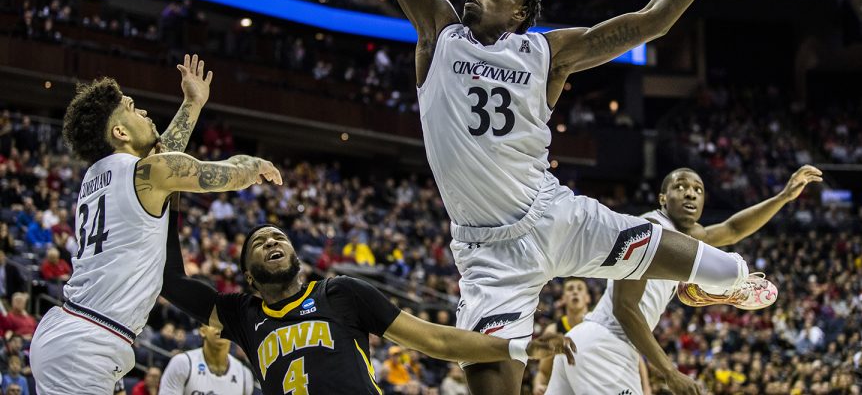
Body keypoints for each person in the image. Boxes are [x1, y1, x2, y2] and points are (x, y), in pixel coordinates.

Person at [371, 0, 774, 394]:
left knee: (728, 268)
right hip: (490, 255)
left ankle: (719, 284)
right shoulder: (438, 33)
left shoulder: (547, 54)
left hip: (558, 217)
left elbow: (654, 21)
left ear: (519, 11)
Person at [30, 55, 283, 394]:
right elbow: (224, 174)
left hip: (75, 333)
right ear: (119, 132)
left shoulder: (97, 176)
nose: (144, 112)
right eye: (133, 109)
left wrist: (192, 103)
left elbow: (161, 160)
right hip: (87, 344)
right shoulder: (143, 174)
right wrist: (255, 163)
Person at [160, 221, 575, 394]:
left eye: (278, 237)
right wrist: (171, 194)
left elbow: (433, 339)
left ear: (296, 256)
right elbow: (172, 281)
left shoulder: (340, 293)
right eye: (259, 242)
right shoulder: (243, 315)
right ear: (248, 278)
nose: (271, 241)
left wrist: (519, 347)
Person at [545, 165, 822, 395]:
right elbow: (624, 308)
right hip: (606, 345)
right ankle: (731, 280)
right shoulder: (649, 229)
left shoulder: (685, 239)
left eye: (698, 189)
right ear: (663, 198)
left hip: (587, 343)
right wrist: (669, 372)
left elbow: (732, 229)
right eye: (681, 187)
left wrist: (783, 197)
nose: (690, 193)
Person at [159, 323, 254, 395]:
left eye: (225, 324)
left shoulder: (245, 375)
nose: (220, 329)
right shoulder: (182, 363)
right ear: (202, 331)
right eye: (214, 324)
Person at [533, 278, 590, 395]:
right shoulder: (553, 330)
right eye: (570, 289)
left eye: (579, 288)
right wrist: (538, 385)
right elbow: (543, 371)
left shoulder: (597, 326)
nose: (575, 292)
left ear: (587, 298)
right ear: (563, 298)